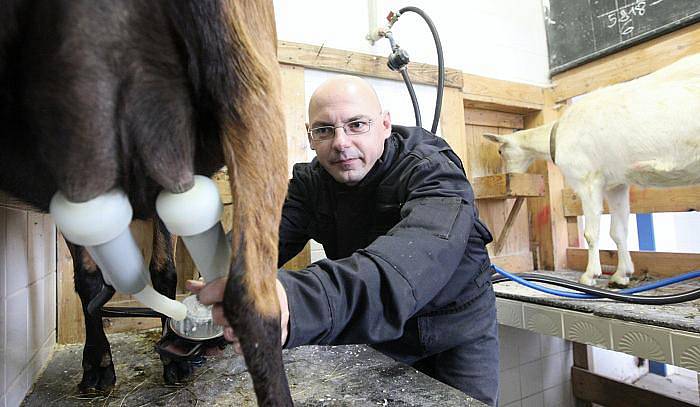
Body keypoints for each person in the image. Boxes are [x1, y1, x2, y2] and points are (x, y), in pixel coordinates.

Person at [189, 75, 499, 405]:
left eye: (356, 125)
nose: (340, 142)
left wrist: (292, 303)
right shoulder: (310, 187)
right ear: (310, 137)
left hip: (458, 332)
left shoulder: (433, 171)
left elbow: (409, 264)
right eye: (324, 130)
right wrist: (224, 279)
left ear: (385, 125)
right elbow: (263, 241)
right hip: (382, 336)